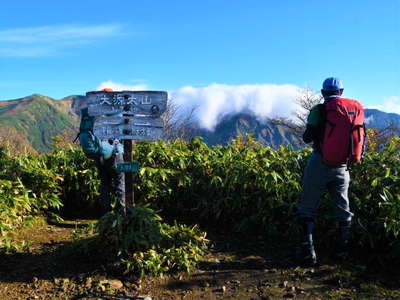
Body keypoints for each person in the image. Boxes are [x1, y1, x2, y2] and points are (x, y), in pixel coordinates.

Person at [297, 77, 365, 265]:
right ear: (341, 92)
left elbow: (307, 138)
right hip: (343, 166)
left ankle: (308, 252)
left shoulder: (319, 110)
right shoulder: (354, 110)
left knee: (307, 206)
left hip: (320, 162)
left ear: (323, 93)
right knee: (343, 208)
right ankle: (342, 250)